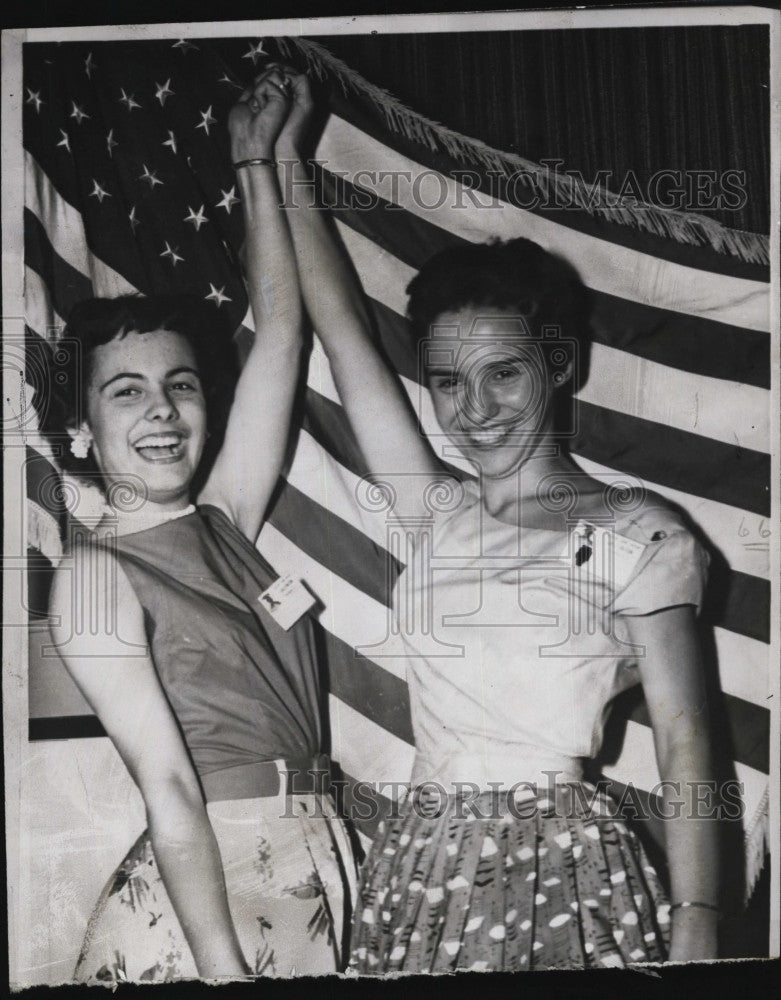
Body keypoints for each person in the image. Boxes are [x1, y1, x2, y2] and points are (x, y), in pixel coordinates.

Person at [253, 67, 719, 971]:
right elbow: (343, 329)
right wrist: (280, 159)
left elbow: (689, 743)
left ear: (560, 368)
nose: (475, 409)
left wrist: (698, 917)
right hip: (417, 865)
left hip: (566, 872)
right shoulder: (440, 514)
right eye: (446, 381)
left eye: (503, 372)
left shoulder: (637, 530)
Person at [45, 70, 355, 983]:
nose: (164, 410)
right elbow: (170, 787)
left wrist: (254, 160)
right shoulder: (94, 576)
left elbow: (284, 336)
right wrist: (222, 970)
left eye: (181, 385)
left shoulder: (223, 518)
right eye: (126, 392)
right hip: (213, 890)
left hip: (311, 853)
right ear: (79, 432)